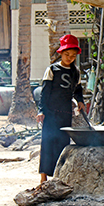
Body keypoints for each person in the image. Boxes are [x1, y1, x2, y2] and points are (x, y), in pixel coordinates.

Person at [36, 34, 85, 183]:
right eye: (66, 54)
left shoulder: (75, 72)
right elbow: (45, 92)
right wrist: (41, 110)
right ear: (61, 54)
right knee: (47, 142)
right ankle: (43, 178)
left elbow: (77, 89)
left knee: (63, 144)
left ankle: (59, 176)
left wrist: (80, 101)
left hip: (65, 113)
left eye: (72, 55)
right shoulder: (52, 69)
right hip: (51, 113)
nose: (69, 58)